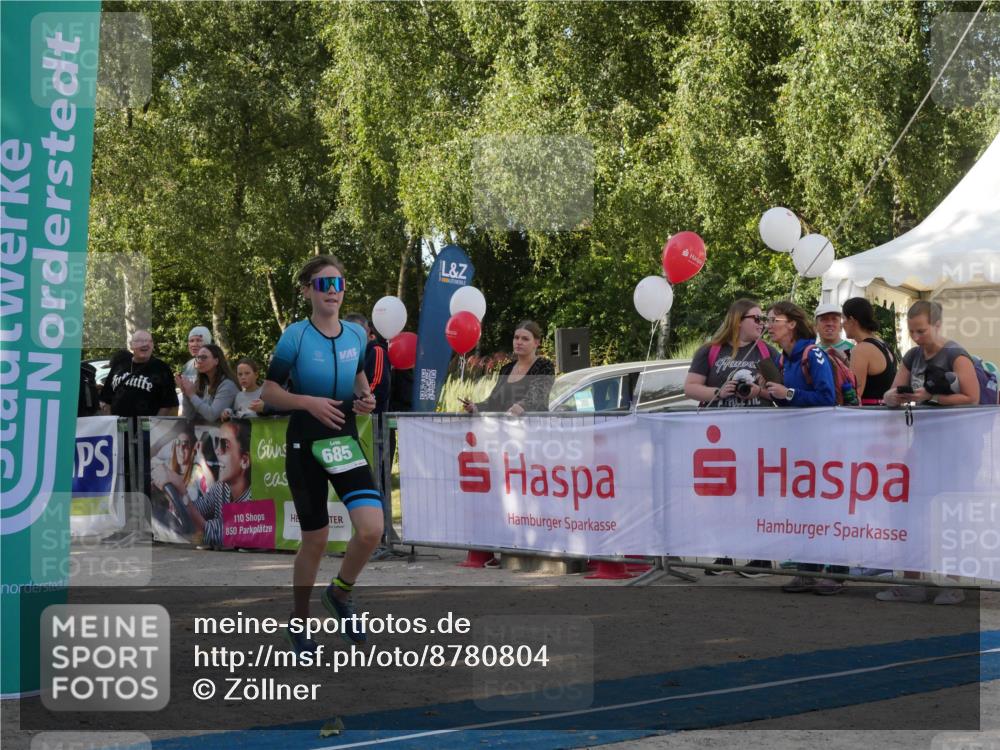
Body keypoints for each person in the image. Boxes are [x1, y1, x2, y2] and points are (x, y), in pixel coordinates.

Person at [261, 254, 383, 653]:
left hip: (343, 443)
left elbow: (360, 381)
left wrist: (365, 399)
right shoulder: (295, 335)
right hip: (305, 444)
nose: (333, 291)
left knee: (371, 529)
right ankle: (299, 623)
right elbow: (270, 393)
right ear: (307, 290)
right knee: (316, 539)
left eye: (338, 284)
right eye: (323, 284)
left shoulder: (356, 336)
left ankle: (340, 594)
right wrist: (308, 402)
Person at [876, 300, 979, 606]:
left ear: (937, 325)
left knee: (951, 517)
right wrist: (894, 397)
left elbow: (972, 399)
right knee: (911, 513)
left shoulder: (956, 355)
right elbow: (894, 391)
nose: (917, 337)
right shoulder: (912, 355)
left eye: (921, 330)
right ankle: (912, 582)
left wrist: (932, 397)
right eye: (911, 331)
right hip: (922, 447)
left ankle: (953, 583)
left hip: (958, 449)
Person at [685, 299, 779, 577]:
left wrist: (757, 392)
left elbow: (778, 391)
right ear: (738, 320)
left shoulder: (767, 351)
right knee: (721, 496)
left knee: (755, 494)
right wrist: (719, 391)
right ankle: (724, 553)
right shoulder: (710, 350)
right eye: (757, 319)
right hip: (719, 438)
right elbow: (690, 387)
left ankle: (759, 557)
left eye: (764, 319)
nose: (763, 324)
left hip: (756, 435)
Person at [762, 301, 843, 595]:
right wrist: (770, 392)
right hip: (798, 445)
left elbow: (826, 398)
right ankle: (807, 572)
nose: (768, 325)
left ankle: (835, 573)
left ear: (792, 324)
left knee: (826, 507)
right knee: (802, 507)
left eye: (774, 320)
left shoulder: (814, 354)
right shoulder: (783, 360)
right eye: (767, 320)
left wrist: (789, 392)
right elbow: (788, 401)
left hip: (823, 445)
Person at [462, 321, 555, 416]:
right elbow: (493, 402)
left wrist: (522, 406)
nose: (519, 342)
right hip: (506, 428)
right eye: (516, 338)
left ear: (536, 343)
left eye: (525, 339)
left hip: (534, 426)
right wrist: (476, 407)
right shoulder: (506, 369)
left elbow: (537, 395)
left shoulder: (544, 365)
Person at [187, 420, 252, 549]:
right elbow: (197, 510)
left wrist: (181, 495)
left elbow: (214, 531)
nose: (217, 450)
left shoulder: (254, 498)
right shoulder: (221, 488)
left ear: (244, 460)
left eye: (225, 445)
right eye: (217, 442)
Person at [100, 330, 178, 417]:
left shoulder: (162, 368)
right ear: (131, 345)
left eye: (148, 341)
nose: (144, 344)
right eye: (139, 341)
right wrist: (111, 422)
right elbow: (106, 398)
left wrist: (154, 426)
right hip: (119, 427)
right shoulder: (119, 365)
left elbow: (168, 404)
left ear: (152, 345)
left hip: (147, 428)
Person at [842, 298, 897, 406]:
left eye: (843, 318)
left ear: (852, 321)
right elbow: (876, 381)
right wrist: (843, 360)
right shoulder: (883, 344)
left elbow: (854, 396)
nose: (842, 324)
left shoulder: (861, 350)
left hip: (870, 416)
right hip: (886, 413)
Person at [176, 344, 239, 423]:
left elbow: (212, 416)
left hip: (226, 433)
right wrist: (185, 392)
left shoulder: (228, 385)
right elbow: (189, 416)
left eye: (204, 357)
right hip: (205, 433)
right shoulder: (203, 384)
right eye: (198, 357)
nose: (199, 361)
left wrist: (192, 395)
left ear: (216, 361)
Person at [344, 313, 391, 414]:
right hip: (352, 417)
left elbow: (380, 384)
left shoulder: (377, 351)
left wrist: (365, 400)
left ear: (367, 331)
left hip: (374, 420)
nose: (353, 335)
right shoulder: (348, 354)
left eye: (356, 331)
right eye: (348, 332)